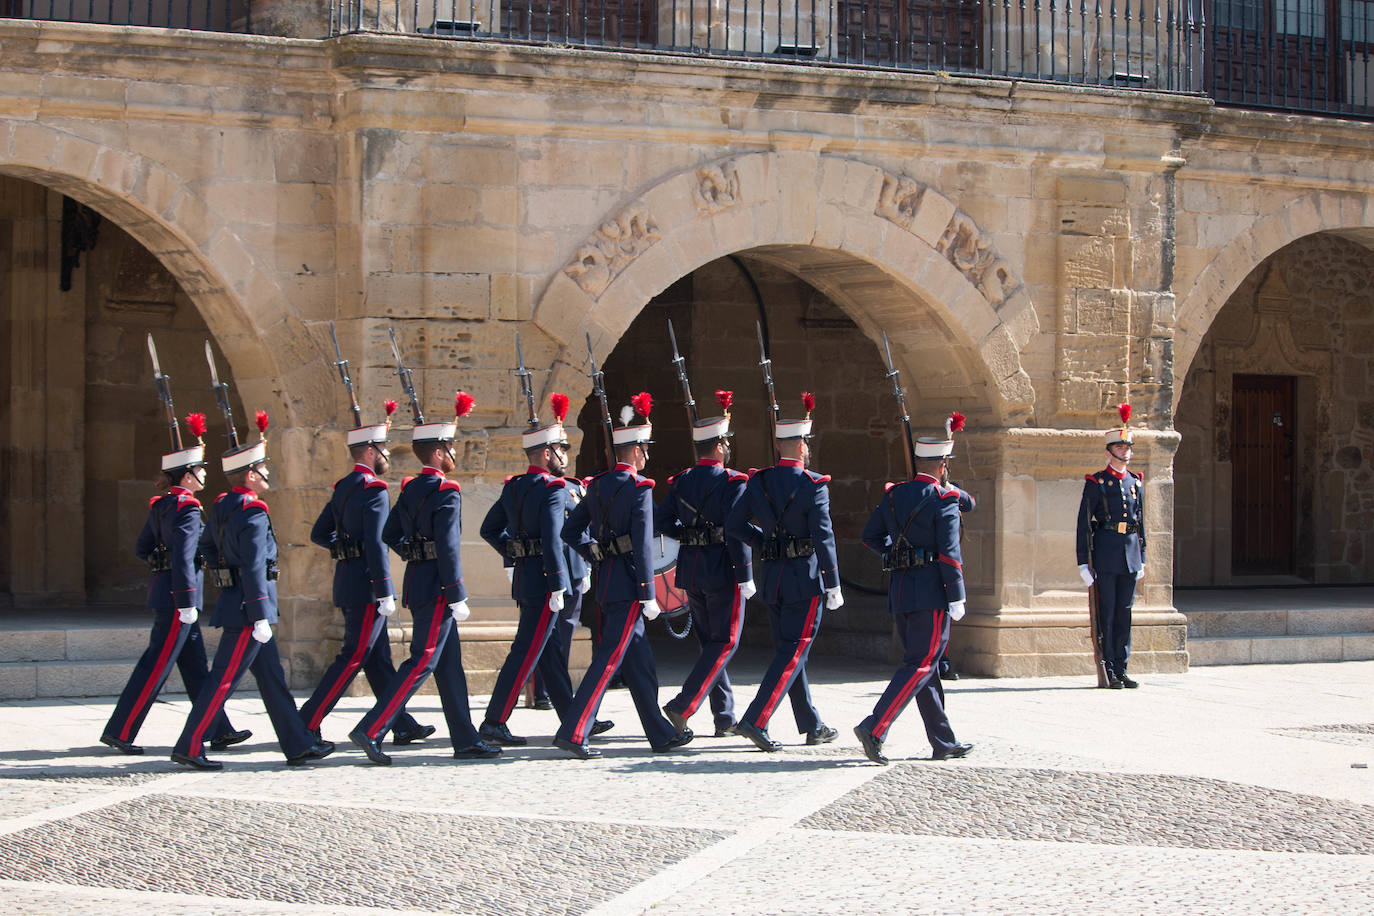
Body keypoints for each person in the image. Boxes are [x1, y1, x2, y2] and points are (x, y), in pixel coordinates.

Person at [171, 411, 334, 770]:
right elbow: (254, 565)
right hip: (250, 611)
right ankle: (190, 743)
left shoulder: (222, 505)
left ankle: (297, 743)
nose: (268, 475)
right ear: (250, 474)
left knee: (273, 678)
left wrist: (224, 576)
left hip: (238, 602)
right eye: (263, 469)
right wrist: (260, 611)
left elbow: (208, 548)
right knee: (223, 680)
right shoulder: (253, 512)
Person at [348, 392, 500, 765]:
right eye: (450, 446)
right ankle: (372, 728)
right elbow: (448, 547)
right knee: (423, 660)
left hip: (418, 582)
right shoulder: (446, 491)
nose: (454, 453)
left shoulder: (411, 488)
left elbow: (390, 535)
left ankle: (465, 739)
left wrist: (413, 553)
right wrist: (456, 592)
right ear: (437, 452)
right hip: (437, 590)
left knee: (449, 665)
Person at [553, 393, 692, 759]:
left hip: (609, 578)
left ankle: (659, 733)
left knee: (640, 663)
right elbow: (644, 545)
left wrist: (595, 553)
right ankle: (574, 730)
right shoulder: (639, 488)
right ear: (636, 450)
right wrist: (648, 592)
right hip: (631, 583)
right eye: (645, 447)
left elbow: (571, 533)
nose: (647, 454)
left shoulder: (597, 485)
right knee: (608, 659)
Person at [101, 412, 248, 755]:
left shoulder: (162, 506)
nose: (205, 475)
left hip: (170, 594)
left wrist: (161, 566)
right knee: (156, 666)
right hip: (179, 600)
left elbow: (143, 548)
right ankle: (121, 730)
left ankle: (218, 728)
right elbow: (184, 556)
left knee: (197, 668)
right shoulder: (187, 509)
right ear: (188, 474)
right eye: (201, 470)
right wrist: (184, 598)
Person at [298, 400, 432, 746]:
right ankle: (305, 722)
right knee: (353, 656)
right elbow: (375, 543)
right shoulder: (373, 490)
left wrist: (343, 550)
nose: (387, 454)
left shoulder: (343, 487)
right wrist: (384, 588)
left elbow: (319, 533)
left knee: (378, 660)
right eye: (384, 448)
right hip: (367, 587)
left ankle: (401, 723)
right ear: (371, 451)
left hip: (347, 580)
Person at [478, 392, 610, 745]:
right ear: (547, 453)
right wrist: (556, 583)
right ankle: (494, 721)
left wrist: (518, 554)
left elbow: (489, 530)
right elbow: (553, 539)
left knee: (548, 654)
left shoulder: (516, 487)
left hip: (528, 578)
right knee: (525, 653)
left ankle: (572, 719)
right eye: (561, 450)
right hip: (548, 584)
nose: (566, 456)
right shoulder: (552, 488)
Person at [854, 413, 974, 765]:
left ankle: (943, 740)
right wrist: (957, 594)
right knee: (921, 664)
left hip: (902, 590)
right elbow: (950, 553)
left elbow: (869, 536)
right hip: (933, 592)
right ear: (943, 465)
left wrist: (895, 552)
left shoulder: (895, 496)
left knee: (927, 666)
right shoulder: (943, 500)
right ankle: (875, 726)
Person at [724, 392, 841, 752]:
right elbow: (823, 535)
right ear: (801, 445)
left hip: (773, 577)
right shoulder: (813, 484)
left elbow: (734, 524)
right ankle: (756, 719)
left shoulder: (759, 482)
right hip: (804, 579)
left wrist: (763, 544)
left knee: (790, 652)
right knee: (795, 650)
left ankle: (811, 724)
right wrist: (833, 581)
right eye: (806, 441)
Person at [654, 390, 754, 738]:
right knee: (725, 642)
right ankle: (684, 704)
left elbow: (661, 521)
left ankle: (723, 716)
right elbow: (737, 530)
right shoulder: (733, 481)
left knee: (710, 642)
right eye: (726, 443)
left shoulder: (681, 481)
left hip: (691, 569)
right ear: (720, 445)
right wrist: (745, 574)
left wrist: (686, 533)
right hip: (723, 569)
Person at [1076, 403, 1146, 690]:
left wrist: (1143, 557)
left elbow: (1142, 521)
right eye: (1120, 447)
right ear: (1109, 451)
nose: (1125, 451)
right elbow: (1083, 522)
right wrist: (1083, 561)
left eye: (1128, 447)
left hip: (1129, 553)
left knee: (1124, 611)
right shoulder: (1097, 481)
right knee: (1107, 613)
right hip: (1105, 553)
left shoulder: (1135, 482)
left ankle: (1121, 666)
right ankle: (1108, 667)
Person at [529, 471, 592, 711]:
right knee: (546, 636)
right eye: (560, 448)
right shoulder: (543, 488)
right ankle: (541, 691)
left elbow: (584, 529)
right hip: (551, 570)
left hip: (574, 566)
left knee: (565, 633)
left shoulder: (576, 487)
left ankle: (560, 692)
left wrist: (586, 566)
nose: (565, 455)